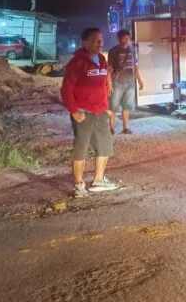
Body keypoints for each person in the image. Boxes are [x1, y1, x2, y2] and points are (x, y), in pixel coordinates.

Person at [61, 27, 120, 198]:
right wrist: (74, 111)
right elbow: (66, 90)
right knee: (81, 148)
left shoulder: (102, 59)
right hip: (83, 113)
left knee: (105, 146)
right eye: (95, 40)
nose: (100, 43)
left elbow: (103, 86)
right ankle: (79, 185)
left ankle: (99, 180)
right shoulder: (76, 63)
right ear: (85, 43)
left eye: (101, 40)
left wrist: (106, 107)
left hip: (100, 112)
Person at [107, 29, 144, 135]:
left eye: (128, 38)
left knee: (127, 107)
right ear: (119, 39)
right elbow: (109, 68)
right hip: (117, 82)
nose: (127, 40)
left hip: (130, 82)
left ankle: (125, 128)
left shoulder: (132, 51)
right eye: (124, 38)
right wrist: (108, 83)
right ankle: (111, 128)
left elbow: (135, 67)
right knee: (113, 107)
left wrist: (140, 80)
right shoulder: (113, 51)